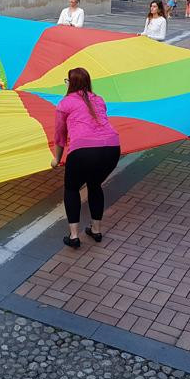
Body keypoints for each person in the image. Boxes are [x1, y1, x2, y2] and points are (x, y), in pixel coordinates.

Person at [51, 68, 120, 248]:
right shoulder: (99, 99)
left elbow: (59, 135)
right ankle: (96, 230)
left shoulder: (65, 103)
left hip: (84, 150)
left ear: (70, 83)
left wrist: (56, 159)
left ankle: (74, 236)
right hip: (112, 148)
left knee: (72, 188)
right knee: (94, 185)